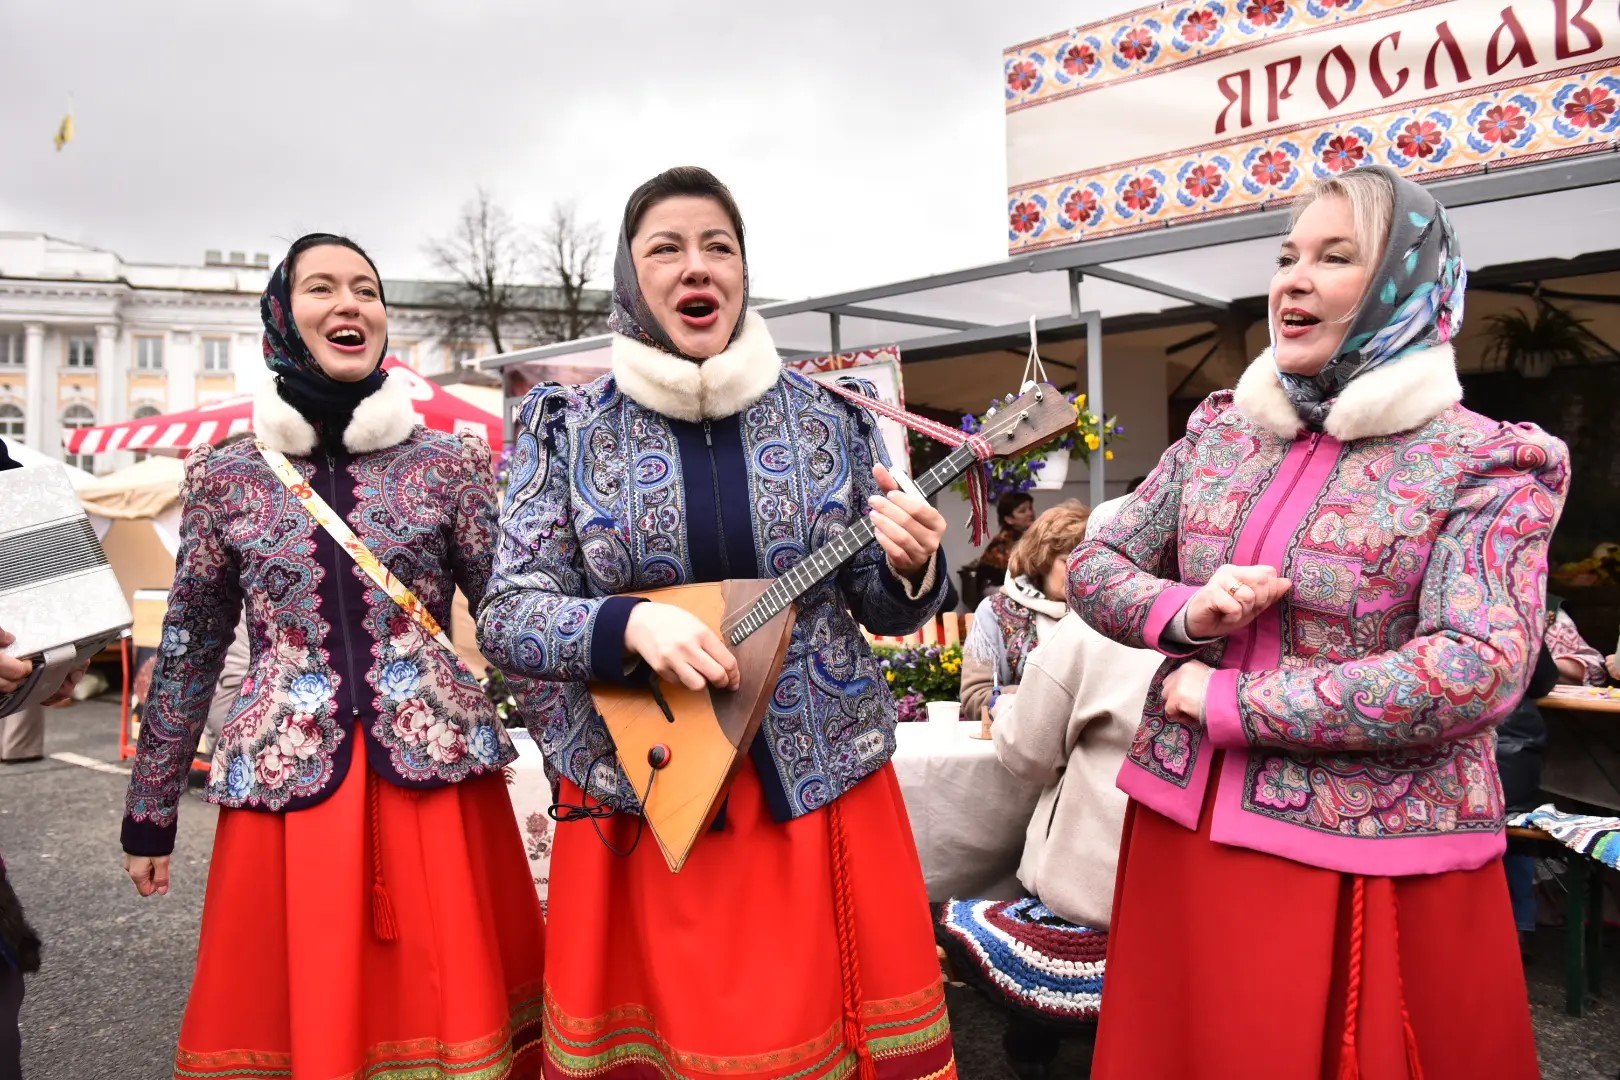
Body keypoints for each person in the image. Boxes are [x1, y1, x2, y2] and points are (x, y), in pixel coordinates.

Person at [1069, 165, 1565, 1079]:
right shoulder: (1222, 431)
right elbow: (1093, 564)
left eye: (1336, 258)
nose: (1292, 278)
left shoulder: (1488, 459)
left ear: (1408, 289)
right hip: (1182, 836)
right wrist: (1188, 610)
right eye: (1287, 255)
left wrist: (1234, 702)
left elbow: (1478, 667)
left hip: (1365, 857)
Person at [478, 166, 957, 1079]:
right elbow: (509, 614)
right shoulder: (564, 428)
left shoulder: (830, 418)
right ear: (631, 276)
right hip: (643, 782)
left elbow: (877, 600)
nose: (696, 266)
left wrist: (911, 563)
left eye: (718, 246)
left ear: (743, 272)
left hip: (812, 781)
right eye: (666, 247)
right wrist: (627, 627)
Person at [120, 234, 546, 1080]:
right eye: (322, 288)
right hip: (287, 793)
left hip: (440, 785)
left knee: (451, 1013)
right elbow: (193, 643)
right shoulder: (226, 476)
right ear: (282, 316)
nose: (349, 303)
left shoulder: (451, 464)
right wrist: (151, 808)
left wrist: (585, 758)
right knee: (307, 1022)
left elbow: (514, 619)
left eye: (366, 289)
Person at [990, 496, 1156, 930]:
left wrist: (1006, 706)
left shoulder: (1087, 628)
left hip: (1091, 885)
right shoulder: (1217, 618)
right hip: (1174, 883)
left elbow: (1027, 753)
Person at [960, 501, 1088, 729]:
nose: (1080, 572)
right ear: (1043, 560)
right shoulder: (995, 611)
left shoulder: (1103, 613)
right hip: (1018, 751)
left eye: (1088, 562)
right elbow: (974, 699)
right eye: (1068, 561)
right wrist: (1048, 696)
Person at [974, 491, 1035, 591]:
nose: (1030, 513)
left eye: (1030, 508)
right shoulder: (1002, 543)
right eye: (1022, 511)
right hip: (999, 591)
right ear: (1009, 519)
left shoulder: (1034, 536)